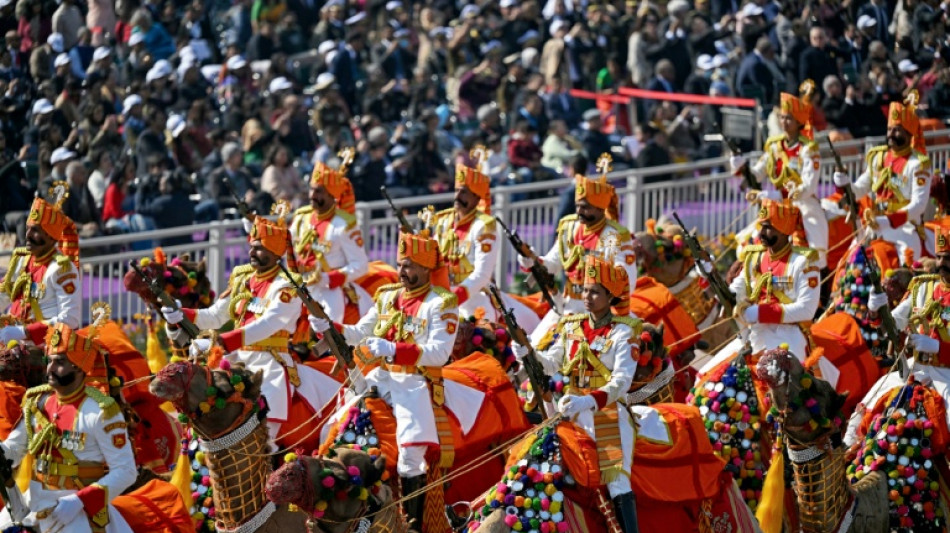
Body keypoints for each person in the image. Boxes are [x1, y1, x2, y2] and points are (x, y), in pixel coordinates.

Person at [309, 230, 459, 529]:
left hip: (414, 383)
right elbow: (359, 332)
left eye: (410, 265)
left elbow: (439, 353)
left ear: (426, 268)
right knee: (331, 427)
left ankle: (413, 524)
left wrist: (393, 348)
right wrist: (329, 325)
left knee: (411, 455)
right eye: (401, 264)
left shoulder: (441, 303)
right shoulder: (388, 295)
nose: (402, 271)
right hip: (380, 378)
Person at [163, 210, 338, 442]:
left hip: (270, 360)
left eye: (259, 248)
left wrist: (223, 341)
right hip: (234, 357)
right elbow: (215, 316)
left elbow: (270, 323)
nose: (252, 252)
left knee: (268, 416)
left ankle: (269, 446)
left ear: (276, 252)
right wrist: (181, 314)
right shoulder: (242, 279)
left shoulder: (287, 287)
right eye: (252, 246)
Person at [515, 254, 641, 533]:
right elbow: (552, 363)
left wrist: (587, 400)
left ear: (611, 297)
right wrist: (528, 353)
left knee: (617, 481)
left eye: (595, 292)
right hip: (569, 412)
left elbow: (621, 382)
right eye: (585, 290)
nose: (587, 296)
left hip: (607, 414)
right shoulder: (572, 326)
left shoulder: (625, 333)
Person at [0, 323, 137, 533]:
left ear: (79, 367)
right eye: (50, 361)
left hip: (76, 510)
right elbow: (14, 450)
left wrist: (80, 501)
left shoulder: (100, 412)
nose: (50, 369)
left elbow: (126, 471)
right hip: (34, 504)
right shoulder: (37, 403)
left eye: (60, 362)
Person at [518, 163, 638, 343]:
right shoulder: (569, 227)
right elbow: (552, 263)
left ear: (600, 208)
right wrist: (532, 258)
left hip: (600, 310)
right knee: (532, 350)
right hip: (567, 305)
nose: (579, 212)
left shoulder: (615, 236)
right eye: (577, 206)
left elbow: (628, 280)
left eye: (585, 207)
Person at [722, 200, 832, 378]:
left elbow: (806, 310)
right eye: (761, 227)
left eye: (768, 228)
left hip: (789, 334)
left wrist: (758, 312)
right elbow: (739, 286)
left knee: (784, 381)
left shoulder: (803, 262)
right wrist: (727, 294)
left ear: (783, 230)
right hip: (754, 332)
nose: (761, 233)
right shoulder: (754, 257)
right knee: (710, 374)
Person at [731, 85, 829, 269]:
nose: (784, 122)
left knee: (816, 242)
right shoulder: (774, 146)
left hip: (802, 203)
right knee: (752, 238)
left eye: (789, 118)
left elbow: (808, 186)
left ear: (799, 121)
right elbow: (758, 173)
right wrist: (740, 165)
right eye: (782, 117)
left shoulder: (809, 149)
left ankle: (818, 276)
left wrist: (775, 196)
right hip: (776, 204)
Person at [833, 93, 932, 261]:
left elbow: (918, 206)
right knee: (849, 263)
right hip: (874, 225)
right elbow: (858, 190)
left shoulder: (918, 164)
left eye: (897, 130)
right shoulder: (878, 158)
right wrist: (843, 181)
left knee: (908, 261)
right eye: (889, 129)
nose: (891, 134)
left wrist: (889, 220)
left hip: (904, 228)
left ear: (908, 134)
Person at [288, 152, 370, 322]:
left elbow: (361, 265)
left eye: (318, 192)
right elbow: (285, 246)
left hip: (329, 288)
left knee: (332, 320)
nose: (312, 196)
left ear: (332, 196)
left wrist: (328, 278)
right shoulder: (301, 217)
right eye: (311, 189)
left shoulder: (344, 225)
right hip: (298, 282)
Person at [0, 192, 81, 345]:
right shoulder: (22, 259)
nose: (28, 235)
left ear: (51, 237)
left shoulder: (62, 268)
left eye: (36, 231)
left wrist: (23, 332)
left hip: (44, 348)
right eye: (28, 228)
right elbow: (4, 294)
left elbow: (70, 319)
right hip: (13, 343)